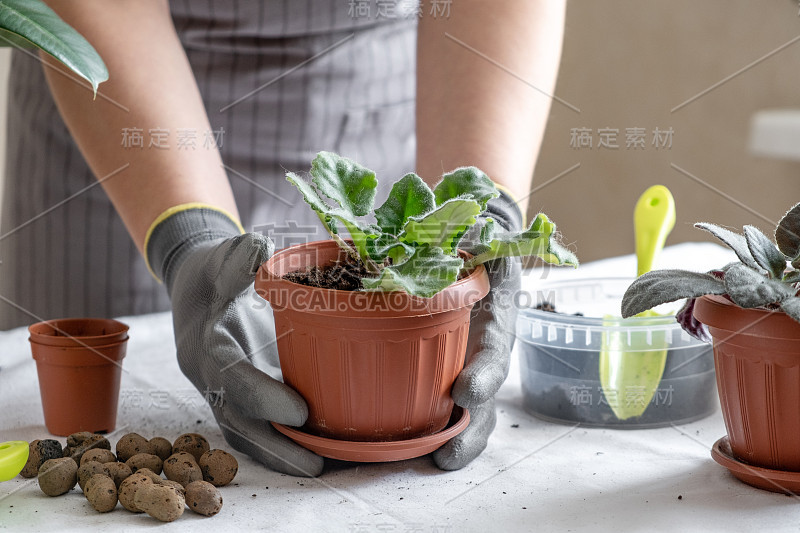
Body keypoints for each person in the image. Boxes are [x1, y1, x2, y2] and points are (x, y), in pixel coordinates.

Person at [1, 0, 566, 476]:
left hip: (372, 94)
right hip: (123, 133)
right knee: (81, 431)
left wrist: (479, 226)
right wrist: (184, 240)